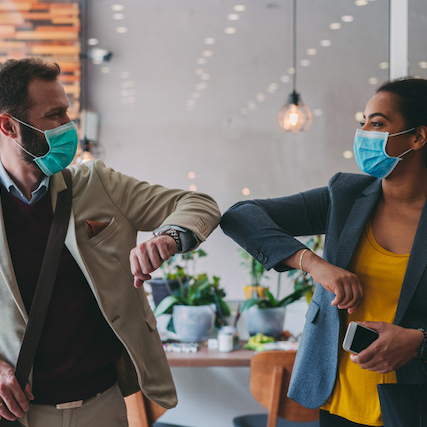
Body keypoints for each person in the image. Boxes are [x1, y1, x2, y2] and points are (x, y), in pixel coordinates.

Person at [0, 57, 221, 427]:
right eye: (54, 115)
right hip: (17, 412)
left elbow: (198, 203)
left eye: (67, 113)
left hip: (102, 404)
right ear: (8, 126)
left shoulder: (96, 183)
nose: (68, 127)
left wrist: (167, 238)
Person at [221, 77, 427, 427]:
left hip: (412, 406)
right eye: (362, 122)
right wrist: (313, 264)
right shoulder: (344, 197)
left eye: (377, 124)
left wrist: (419, 341)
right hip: (337, 401)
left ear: (418, 137)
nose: (364, 133)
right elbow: (240, 215)